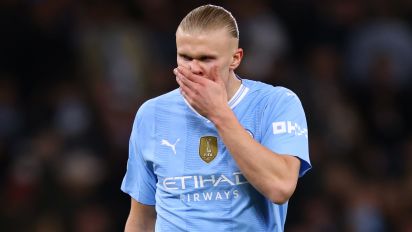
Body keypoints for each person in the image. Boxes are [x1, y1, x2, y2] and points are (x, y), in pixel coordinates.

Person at [121, 4, 311, 232]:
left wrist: (218, 113)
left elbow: (280, 188)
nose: (194, 68)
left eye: (206, 58)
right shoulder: (152, 114)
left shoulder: (276, 103)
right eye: (185, 57)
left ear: (235, 58)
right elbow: (141, 219)